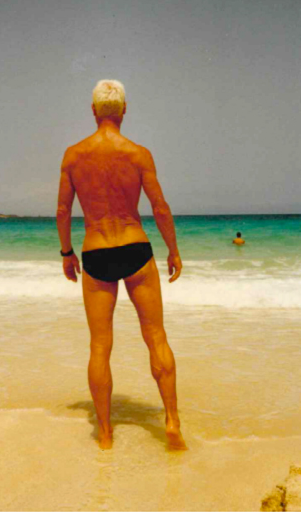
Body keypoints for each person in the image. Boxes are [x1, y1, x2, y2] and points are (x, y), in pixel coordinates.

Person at [56, 79, 186, 451]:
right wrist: (173, 250)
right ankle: (172, 420)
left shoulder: (73, 156)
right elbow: (160, 208)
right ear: (124, 110)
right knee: (156, 337)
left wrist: (67, 253)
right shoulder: (138, 154)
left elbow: (63, 210)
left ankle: (105, 433)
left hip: (97, 251)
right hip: (135, 248)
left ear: (93, 110)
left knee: (100, 346)